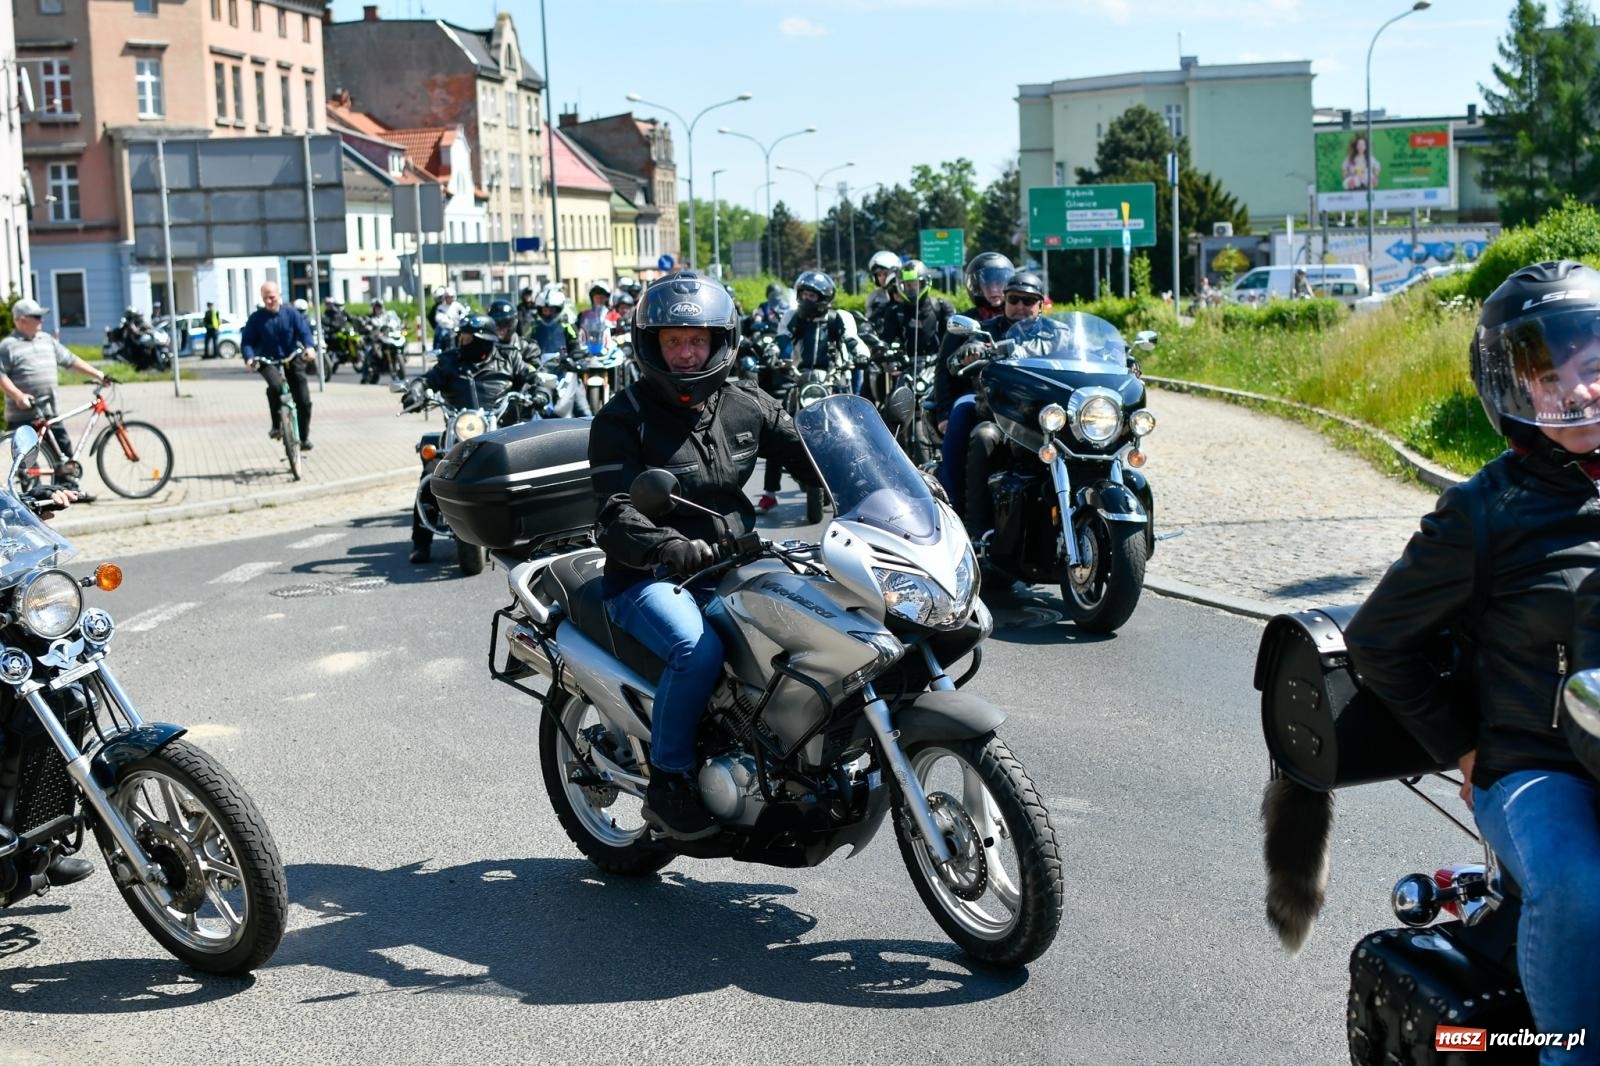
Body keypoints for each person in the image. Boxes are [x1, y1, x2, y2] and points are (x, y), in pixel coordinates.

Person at [1345, 260, 1600, 1056]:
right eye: (1551, 376)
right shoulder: (1484, 512)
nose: (1581, 391)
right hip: (1536, 765)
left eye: (1591, 368)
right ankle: (1569, 1047)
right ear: (1511, 388)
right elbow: (1377, 640)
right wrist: (1461, 744)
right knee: (1575, 884)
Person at [587, 271, 818, 839]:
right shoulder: (624, 417)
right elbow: (615, 511)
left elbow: (810, 452)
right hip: (650, 576)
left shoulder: (745, 403)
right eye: (674, 341)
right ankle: (669, 778)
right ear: (652, 345)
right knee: (696, 650)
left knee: (816, 625)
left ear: (719, 342)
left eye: (697, 341)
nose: (687, 354)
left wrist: (886, 483)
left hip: (734, 561)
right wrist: (668, 544)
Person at [755, 271, 863, 512]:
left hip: (832, 379)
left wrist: (860, 353)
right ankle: (769, 493)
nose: (805, 300)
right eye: (802, 294)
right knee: (777, 426)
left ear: (824, 298)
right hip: (801, 379)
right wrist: (773, 352)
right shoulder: (793, 316)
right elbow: (781, 339)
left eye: (811, 295)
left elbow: (852, 340)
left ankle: (858, 486)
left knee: (852, 429)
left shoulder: (839, 318)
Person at [949, 272, 1045, 533]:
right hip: (1001, 419)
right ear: (1004, 300)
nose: (1021, 307)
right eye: (1014, 299)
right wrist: (968, 354)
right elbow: (954, 363)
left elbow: (1089, 352)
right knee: (983, 436)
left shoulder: (1057, 334)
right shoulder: (987, 331)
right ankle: (975, 531)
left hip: (1046, 422)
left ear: (1041, 304)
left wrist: (1122, 359)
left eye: (1029, 301)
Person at [0, 298, 109, 480]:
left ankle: (69, 489)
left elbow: (70, 360)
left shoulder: (47, 340)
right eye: (36, 317)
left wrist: (98, 374)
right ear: (21, 320)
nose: (41, 321)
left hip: (49, 411)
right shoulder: (7, 346)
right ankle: (30, 498)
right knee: (27, 463)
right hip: (22, 414)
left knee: (64, 453)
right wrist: (18, 396)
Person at [241, 281, 317, 451]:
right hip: (267, 361)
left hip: (291, 357)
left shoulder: (291, 314)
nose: (269, 301)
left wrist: (310, 348)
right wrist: (249, 358)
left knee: (303, 400)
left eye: (272, 297)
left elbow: (304, 332)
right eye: (266, 298)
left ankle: (303, 438)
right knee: (275, 386)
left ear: (279, 295)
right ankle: (277, 426)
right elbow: (247, 341)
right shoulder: (256, 318)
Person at [526, 285, 581, 360]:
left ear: (558, 310)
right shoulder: (534, 326)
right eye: (545, 310)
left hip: (563, 365)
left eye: (551, 310)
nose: (548, 313)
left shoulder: (568, 326)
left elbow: (575, 344)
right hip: (540, 365)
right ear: (540, 310)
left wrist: (574, 355)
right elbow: (527, 343)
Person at [962, 251, 1014, 321]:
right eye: (987, 284)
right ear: (979, 288)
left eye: (998, 283)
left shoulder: (1018, 317)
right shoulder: (965, 320)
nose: (993, 289)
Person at [864, 249, 902, 332]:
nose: (882, 278)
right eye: (879, 275)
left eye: (885, 273)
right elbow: (868, 321)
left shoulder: (905, 292)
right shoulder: (874, 297)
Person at [577, 281, 618, 351]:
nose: (599, 300)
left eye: (602, 297)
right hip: (587, 348)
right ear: (592, 298)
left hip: (609, 348)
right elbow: (577, 330)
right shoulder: (583, 314)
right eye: (596, 297)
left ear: (607, 298)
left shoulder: (613, 314)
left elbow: (619, 331)